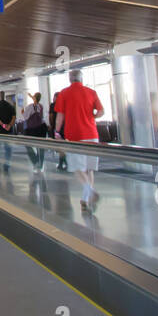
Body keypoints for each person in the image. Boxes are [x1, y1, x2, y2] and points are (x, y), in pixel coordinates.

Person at [55, 69, 103, 212]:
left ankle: (89, 190)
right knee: (89, 168)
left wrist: (57, 132)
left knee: (77, 167)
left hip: (74, 135)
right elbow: (101, 111)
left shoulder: (64, 93)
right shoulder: (91, 92)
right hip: (92, 134)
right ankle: (86, 199)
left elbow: (60, 117)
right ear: (81, 79)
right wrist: (91, 118)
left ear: (70, 80)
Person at [22, 92, 48, 171]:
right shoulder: (41, 106)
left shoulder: (30, 107)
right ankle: (40, 164)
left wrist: (23, 112)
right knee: (40, 147)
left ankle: (35, 162)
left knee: (28, 145)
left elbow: (25, 117)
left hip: (32, 130)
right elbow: (43, 117)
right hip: (41, 128)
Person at [0, 91, 15, 173]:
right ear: (4, 96)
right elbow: (13, 117)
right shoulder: (10, 106)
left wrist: (2, 125)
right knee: (8, 149)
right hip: (8, 131)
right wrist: (9, 126)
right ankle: (6, 166)